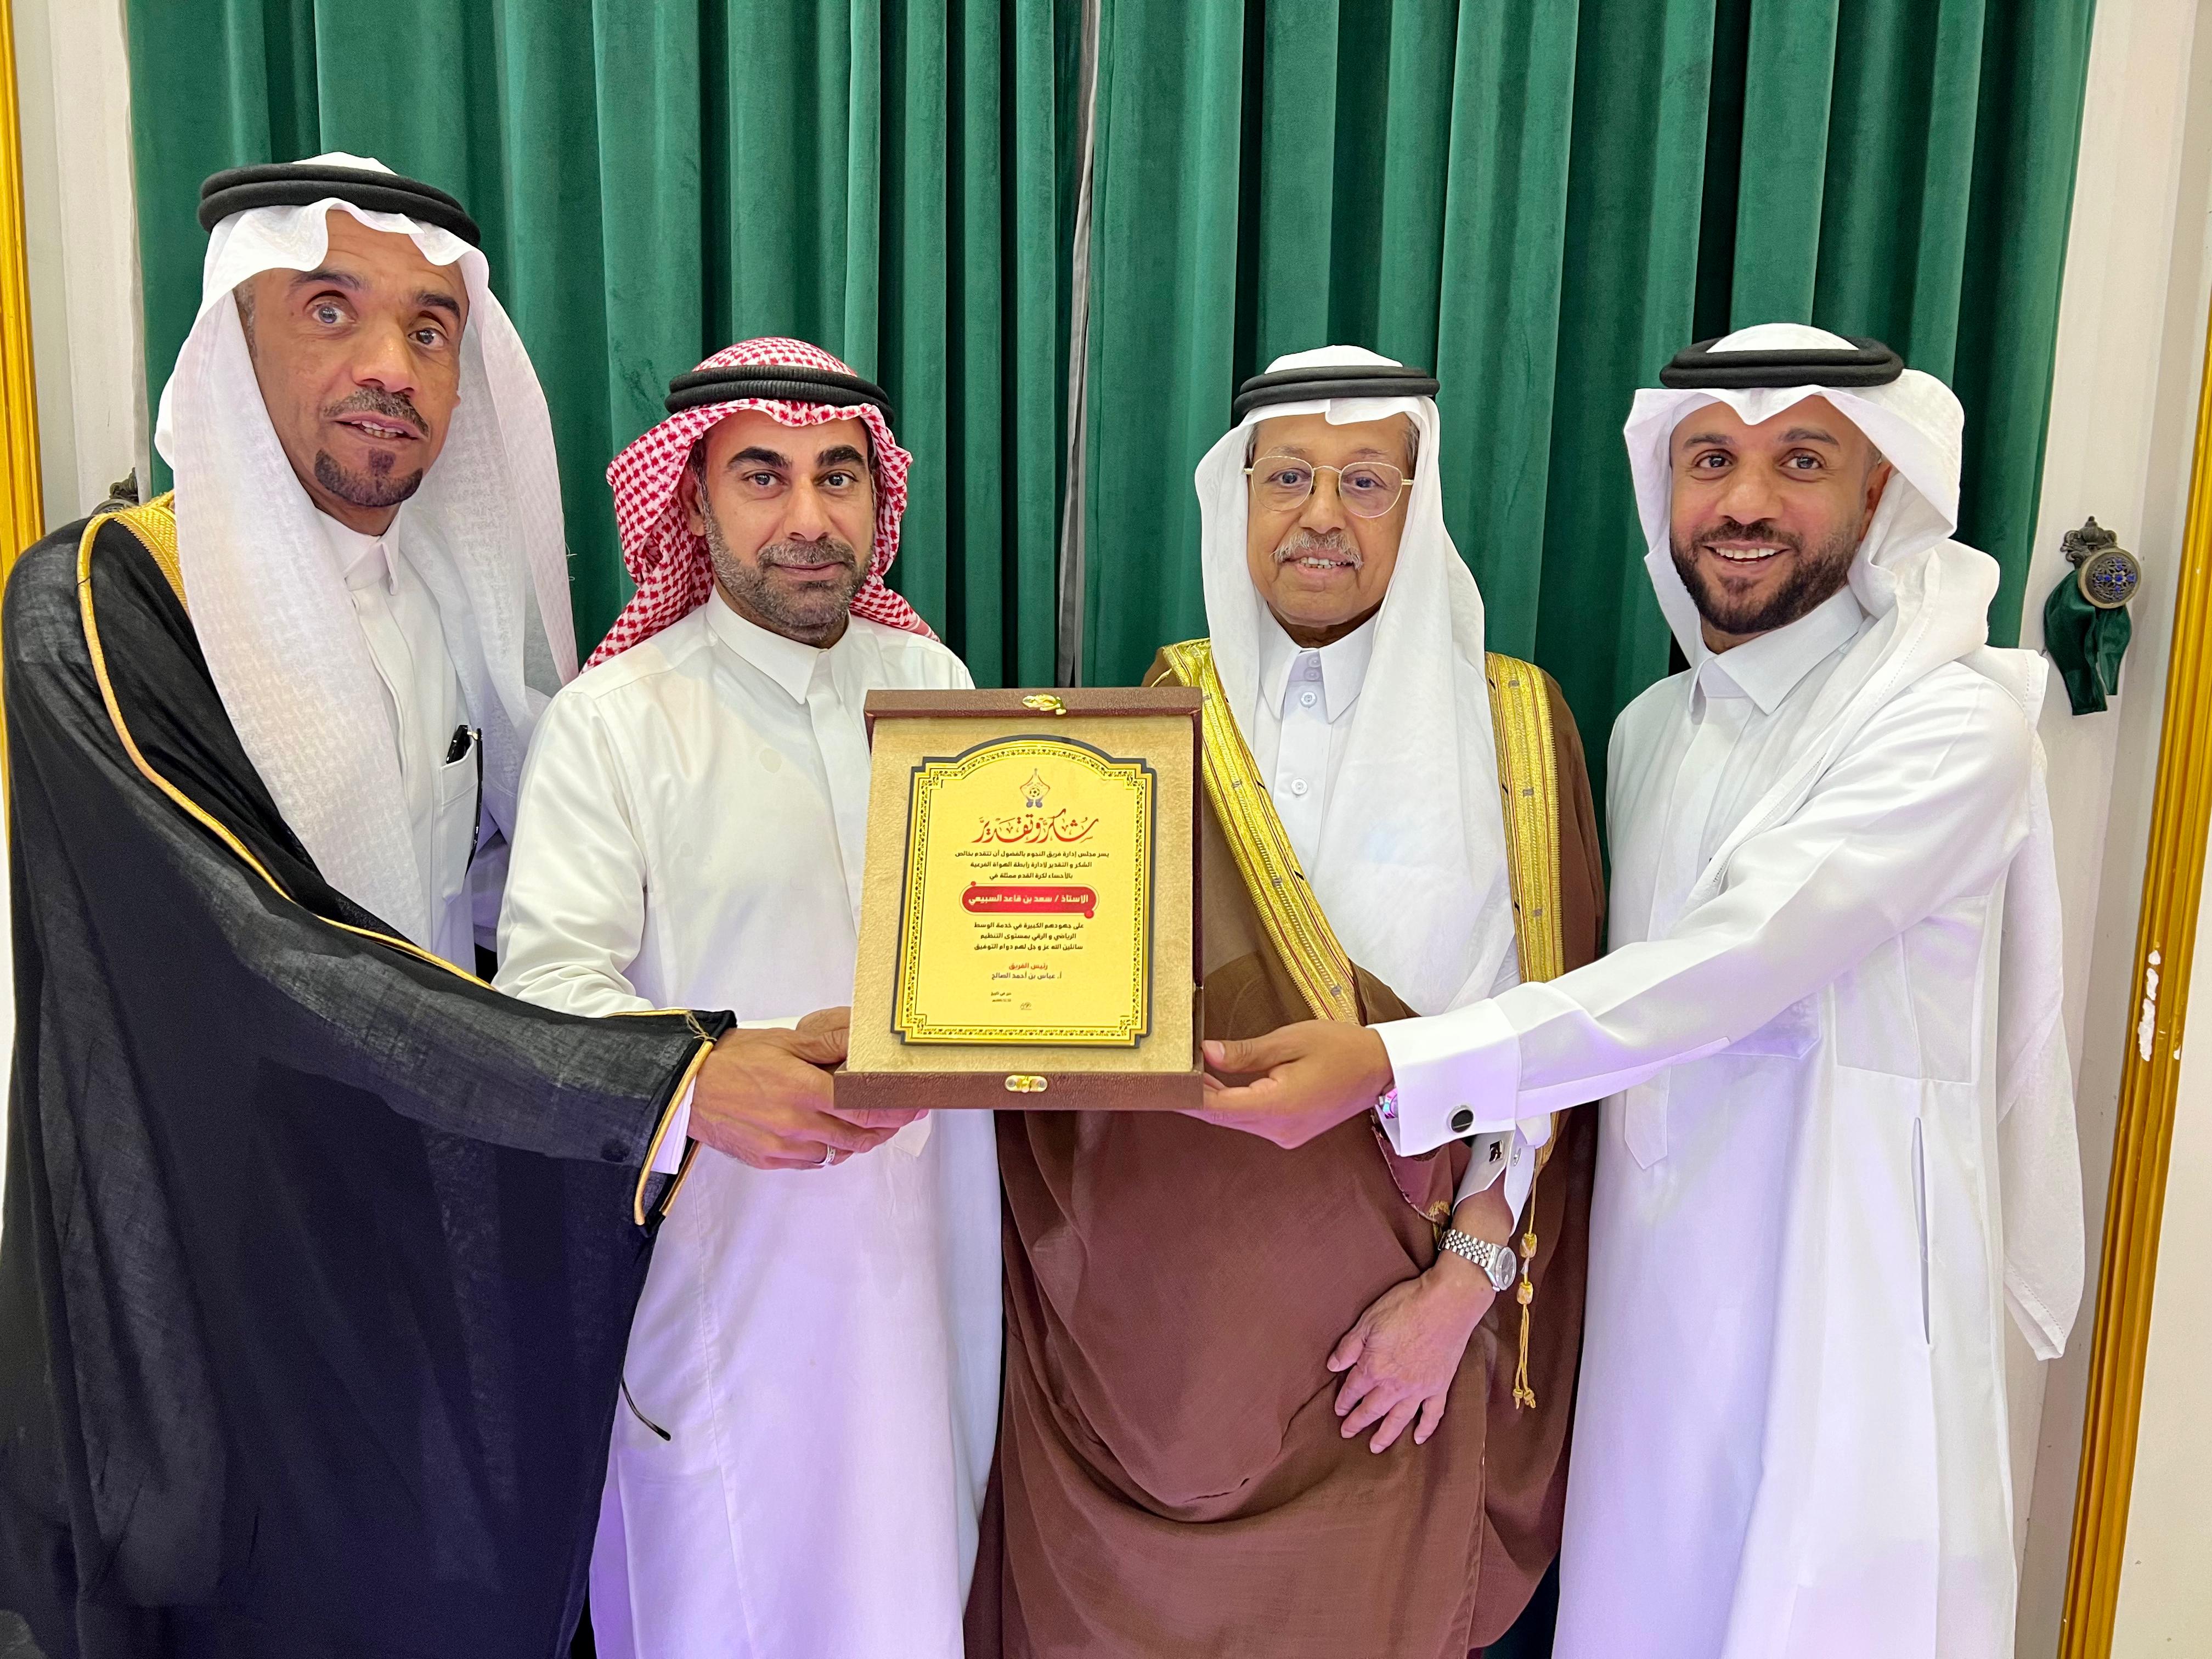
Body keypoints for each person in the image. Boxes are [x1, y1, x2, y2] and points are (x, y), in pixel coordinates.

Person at [0, 160, 882, 1659]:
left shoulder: (454, 608)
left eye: (429, 329)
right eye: (329, 309)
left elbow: (494, 922)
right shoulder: (101, 602)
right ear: (233, 332)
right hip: (230, 1253)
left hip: (433, 1218)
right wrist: (669, 1080)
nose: (389, 368)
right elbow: (266, 949)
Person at [1200, 325, 2083, 1659]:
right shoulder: (1651, 734)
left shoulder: (1950, 726)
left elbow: (1726, 971)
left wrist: (1391, 1066)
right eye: (1709, 460)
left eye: (1801, 462)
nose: (1744, 502)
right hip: (1649, 1321)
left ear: (1882, 489)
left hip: (1847, 1309)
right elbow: (1601, 1010)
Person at [968, 347, 1602, 1659]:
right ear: (1240, 498)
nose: (1321, 514)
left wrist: (1464, 1291)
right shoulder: (1165, 708)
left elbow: (1558, 1049)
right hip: (1156, 1357)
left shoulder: (1514, 728)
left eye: (1366, 481)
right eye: (1289, 478)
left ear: (1419, 506)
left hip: (1394, 1348)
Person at [495, 338, 999, 1659]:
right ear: (695, 499)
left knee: (912, 1581)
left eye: (840, 476)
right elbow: (543, 990)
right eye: (763, 476)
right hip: (721, 1266)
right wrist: (700, 1079)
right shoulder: (615, 721)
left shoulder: (938, 690)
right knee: (725, 1596)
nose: (808, 516)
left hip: (926, 1254)